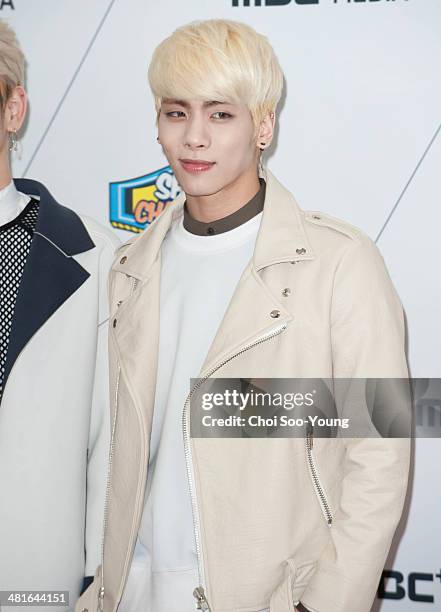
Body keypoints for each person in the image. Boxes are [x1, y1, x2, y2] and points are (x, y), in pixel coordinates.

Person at [75, 19, 410, 612]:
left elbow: (380, 450)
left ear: (263, 125)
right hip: (131, 593)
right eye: (176, 113)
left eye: (220, 114)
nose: (194, 138)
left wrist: (324, 605)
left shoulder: (339, 263)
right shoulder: (128, 267)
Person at [0, 19, 120, 611]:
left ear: (13, 107)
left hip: (37, 581)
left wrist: (101, 578)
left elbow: (116, 439)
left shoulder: (102, 259)